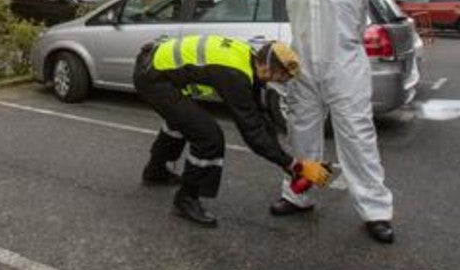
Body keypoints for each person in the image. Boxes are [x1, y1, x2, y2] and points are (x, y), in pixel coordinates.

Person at [221, 0, 460, 244]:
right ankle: (299, 196)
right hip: (303, 70)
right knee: (302, 136)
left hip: (345, 69)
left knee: (356, 138)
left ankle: (376, 212)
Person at [134, 34, 332, 228]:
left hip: (154, 68)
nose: (276, 82)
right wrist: (292, 165)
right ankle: (186, 199)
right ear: (265, 65)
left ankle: (155, 171)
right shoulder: (234, 76)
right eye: (277, 77)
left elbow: (258, 117)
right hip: (153, 79)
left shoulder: (248, 58)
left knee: (181, 122)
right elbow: (252, 132)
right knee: (209, 137)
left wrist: (287, 163)